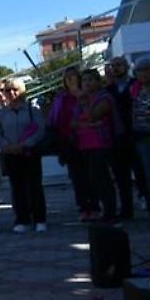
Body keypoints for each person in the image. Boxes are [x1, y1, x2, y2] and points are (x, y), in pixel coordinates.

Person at [0, 78, 48, 233]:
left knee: (35, 187)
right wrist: (7, 146)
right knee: (17, 188)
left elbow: (40, 130)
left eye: (15, 89)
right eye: (7, 90)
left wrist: (25, 144)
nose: (11, 93)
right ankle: (22, 219)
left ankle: (40, 219)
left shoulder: (33, 110)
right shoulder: (2, 113)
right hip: (12, 154)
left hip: (29, 153)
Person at [73, 68, 119, 223]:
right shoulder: (80, 100)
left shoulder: (104, 97)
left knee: (102, 177)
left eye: (91, 80)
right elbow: (73, 123)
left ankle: (110, 211)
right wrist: (87, 122)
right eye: (84, 80)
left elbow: (94, 115)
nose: (87, 83)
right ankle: (103, 209)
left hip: (101, 142)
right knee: (93, 179)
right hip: (85, 144)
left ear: (98, 82)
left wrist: (86, 111)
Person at [48, 67, 91, 217]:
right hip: (69, 142)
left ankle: (95, 205)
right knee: (77, 176)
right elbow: (54, 119)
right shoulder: (61, 98)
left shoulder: (86, 93)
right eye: (67, 78)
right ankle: (83, 207)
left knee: (91, 174)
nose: (71, 80)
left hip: (89, 139)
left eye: (73, 76)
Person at [106, 55, 140, 218]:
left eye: (119, 65)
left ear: (127, 67)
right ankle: (127, 209)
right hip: (116, 138)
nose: (116, 68)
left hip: (137, 134)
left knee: (142, 173)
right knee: (121, 176)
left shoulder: (136, 85)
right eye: (113, 66)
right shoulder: (108, 91)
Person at [130, 57, 150, 216]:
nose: (144, 74)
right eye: (140, 71)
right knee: (149, 176)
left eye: (147, 69)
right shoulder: (136, 91)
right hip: (143, 138)